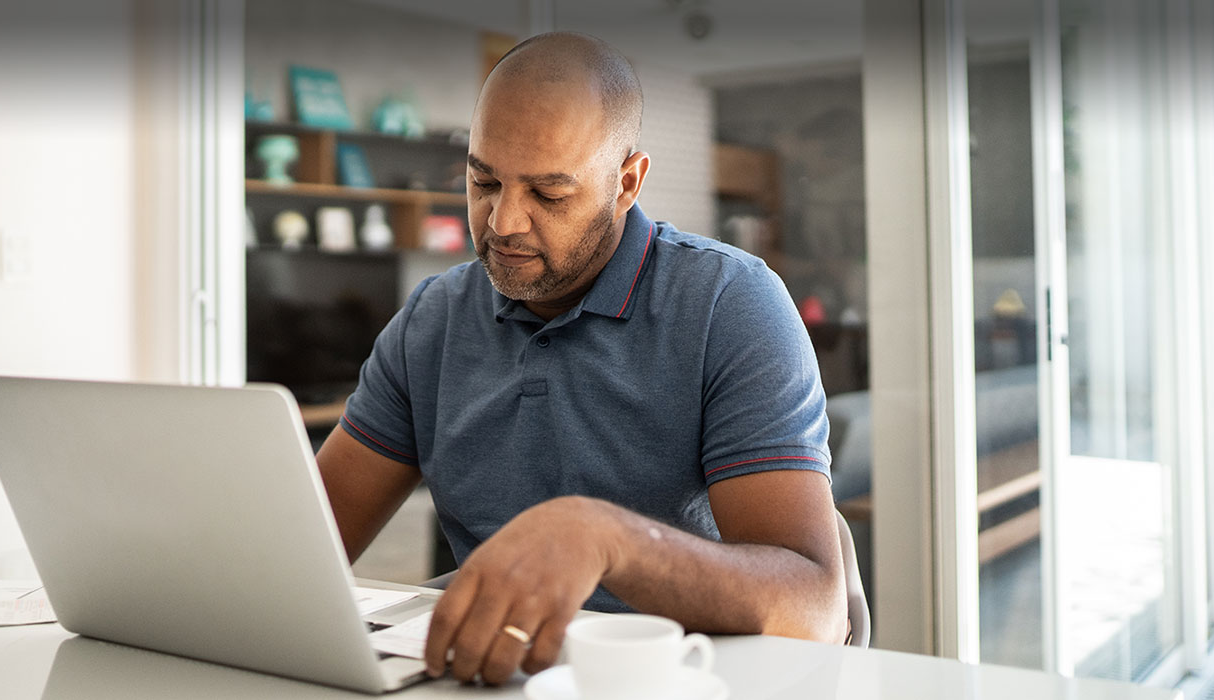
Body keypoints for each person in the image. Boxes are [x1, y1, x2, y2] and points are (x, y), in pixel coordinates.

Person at [314, 32, 846, 686]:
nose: (504, 221)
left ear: (626, 182)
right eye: (483, 181)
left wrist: (607, 540)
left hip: (674, 678)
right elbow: (304, 554)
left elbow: (815, 608)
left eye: (549, 194)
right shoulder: (435, 318)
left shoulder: (729, 303)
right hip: (495, 673)